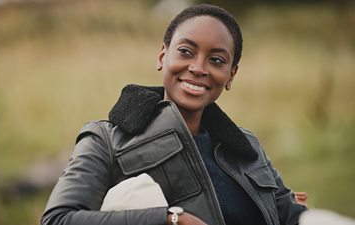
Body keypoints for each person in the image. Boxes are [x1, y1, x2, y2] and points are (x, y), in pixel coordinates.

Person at [41, 4, 307, 225]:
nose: (198, 67)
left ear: (231, 75)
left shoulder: (247, 147)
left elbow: (293, 216)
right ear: (162, 56)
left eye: (216, 60)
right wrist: (169, 219)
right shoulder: (105, 142)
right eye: (186, 52)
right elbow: (58, 219)